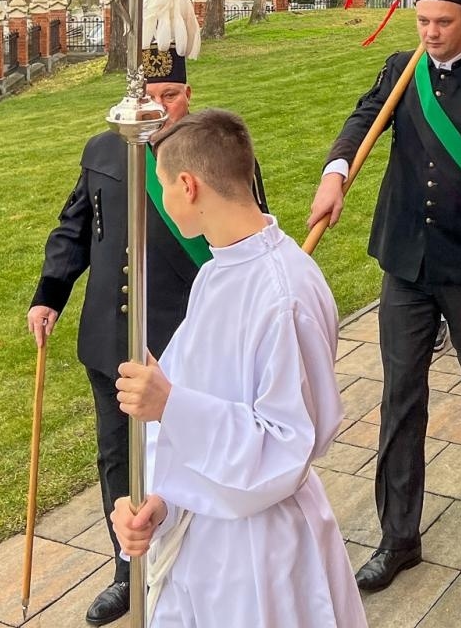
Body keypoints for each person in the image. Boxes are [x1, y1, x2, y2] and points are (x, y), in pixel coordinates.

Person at [28, 0, 267, 626]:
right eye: (149, 95)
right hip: (110, 338)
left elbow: (248, 243)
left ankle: (189, 566)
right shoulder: (104, 146)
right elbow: (75, 225)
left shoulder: (215, 157)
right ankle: (126, 571)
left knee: (181, 458)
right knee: (117, 459)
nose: (158, 109)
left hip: (183, 343)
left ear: (190, 94)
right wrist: (49, 294)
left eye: (170, 95)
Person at [307, 0, 461, 592]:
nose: (431, 32)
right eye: (422, 21)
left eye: (443, 22)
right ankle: (398, 536)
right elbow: (363, 121)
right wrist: (335, 171)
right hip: (406, 261)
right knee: (399, 394)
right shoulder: (400, 69)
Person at [109, 110, 365, 627]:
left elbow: (286, 444)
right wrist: (161, 498)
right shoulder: (216, 273)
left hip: (259, 557)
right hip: (202, 531)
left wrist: (170, 405)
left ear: (189, 185)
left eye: (162, 186)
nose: (161, 200)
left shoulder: (282, 295)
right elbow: (191, 386)